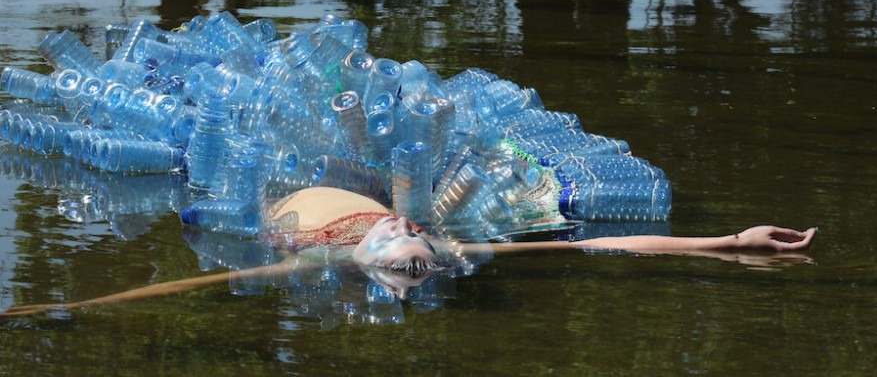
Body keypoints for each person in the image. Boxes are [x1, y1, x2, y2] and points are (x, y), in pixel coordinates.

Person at [1, 187, 816, 316]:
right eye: (415, 235)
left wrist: (46, 305)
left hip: (273, 204)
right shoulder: (448, 241)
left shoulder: (310, 262)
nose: (413, 234)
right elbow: (605, 244)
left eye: (407, 236)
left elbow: (183, 282)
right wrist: (728, 242)